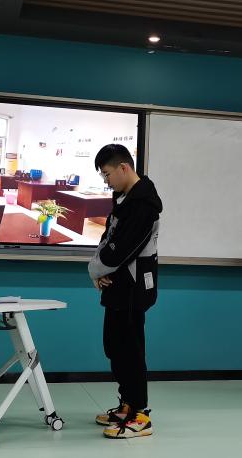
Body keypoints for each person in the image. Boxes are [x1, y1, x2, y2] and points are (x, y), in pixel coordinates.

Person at [87, 144, 162, 439]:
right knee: (115, 346)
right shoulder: (123, 198)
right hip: (118, 285)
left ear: (123, 168)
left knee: (130, 350)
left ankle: (141, 415)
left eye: (107, 174)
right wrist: (100, 270)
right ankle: (127, 404)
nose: (106, 181)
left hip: (133, 288)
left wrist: (96, 270)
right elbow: (109, 237)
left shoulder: (144, 204)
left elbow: (121, 251)